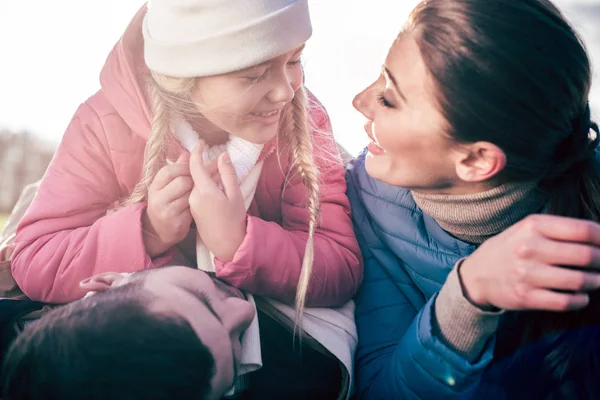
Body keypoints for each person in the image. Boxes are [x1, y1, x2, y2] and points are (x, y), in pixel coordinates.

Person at [10, 0, 362, 323]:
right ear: (182, 77)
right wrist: (148, 230)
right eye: (254, 74)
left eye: (294, 60)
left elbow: (340, 264)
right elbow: (37, 259)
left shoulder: (303, 122)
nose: (286, 90)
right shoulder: (104, 123)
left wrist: (238, 241)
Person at [346, 0, 600, 398]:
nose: (360, 100)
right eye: (380, 77)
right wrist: (467, 297)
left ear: (477, 160)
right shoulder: (361, 205)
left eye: (389, 98)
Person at [1, 265, 352, 400]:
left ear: (109, 283)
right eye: (235, 353)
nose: (243, 310)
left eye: (201, 297)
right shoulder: (313, 379)